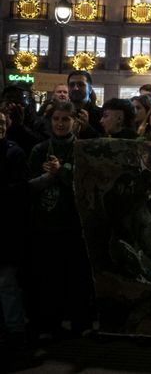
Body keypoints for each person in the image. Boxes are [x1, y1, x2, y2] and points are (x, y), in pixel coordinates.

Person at [25, 100, 93, 339]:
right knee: (48, 276)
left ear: (75, 122)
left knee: (77, 276)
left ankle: (81, 322)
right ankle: (49, 324)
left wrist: (61, 172)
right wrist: (46, 177)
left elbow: (86, 185)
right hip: (46, 222)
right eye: (56, 119)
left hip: (75, 223)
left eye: (65, 119)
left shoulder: (83, 150)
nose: (60, 123)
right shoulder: (39, 150)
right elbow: (29, 187)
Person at [0, 109, 29, 346]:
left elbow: (18, 189)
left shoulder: (14, 152)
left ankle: (14, 327)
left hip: (5, 227)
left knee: (6, 281)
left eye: (2, 123)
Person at [65, 69, 102, 135]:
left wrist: (87, 129)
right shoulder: (60, 113)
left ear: (90, 89)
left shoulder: (101, 115)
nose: (75, 88)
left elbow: (105, 141)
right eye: (72, 85)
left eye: (81, 84)